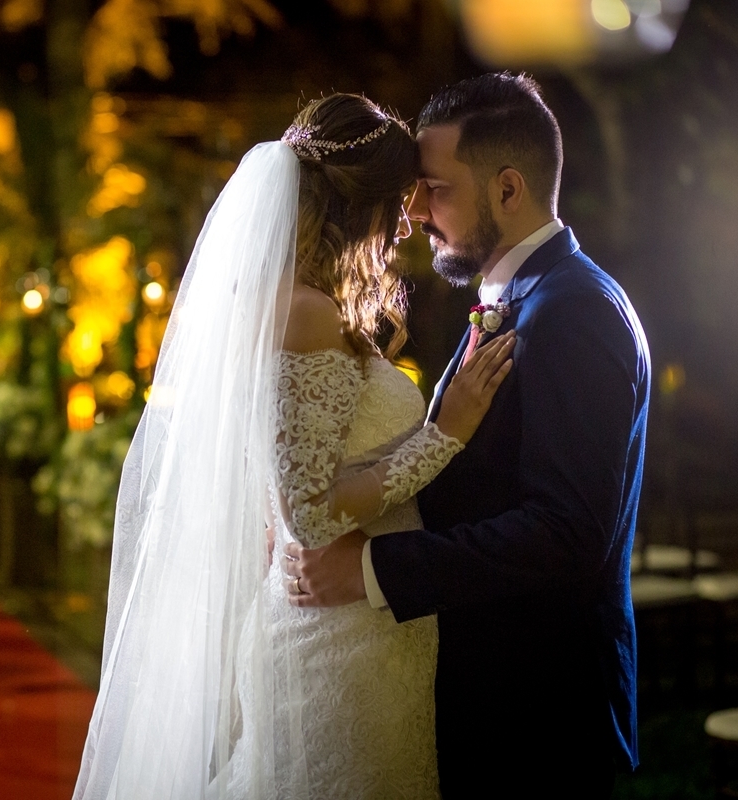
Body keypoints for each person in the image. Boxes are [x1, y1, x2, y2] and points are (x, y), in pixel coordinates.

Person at [73, 92, 512, 800]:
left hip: (360, 632)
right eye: (402, 200)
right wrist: (444, 434)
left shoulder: (305, 303)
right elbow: (308, 511)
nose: (410, 221)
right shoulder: (302, 314)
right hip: (338, 646)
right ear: (360, 202)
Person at [284, 73, 651, 799]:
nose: (415, 212)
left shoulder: (574, 312)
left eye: (436, 188)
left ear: (508, 189)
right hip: (485, 686)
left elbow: (567, 531)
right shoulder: (515, 297)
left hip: (538, 705)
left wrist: (370, 570)